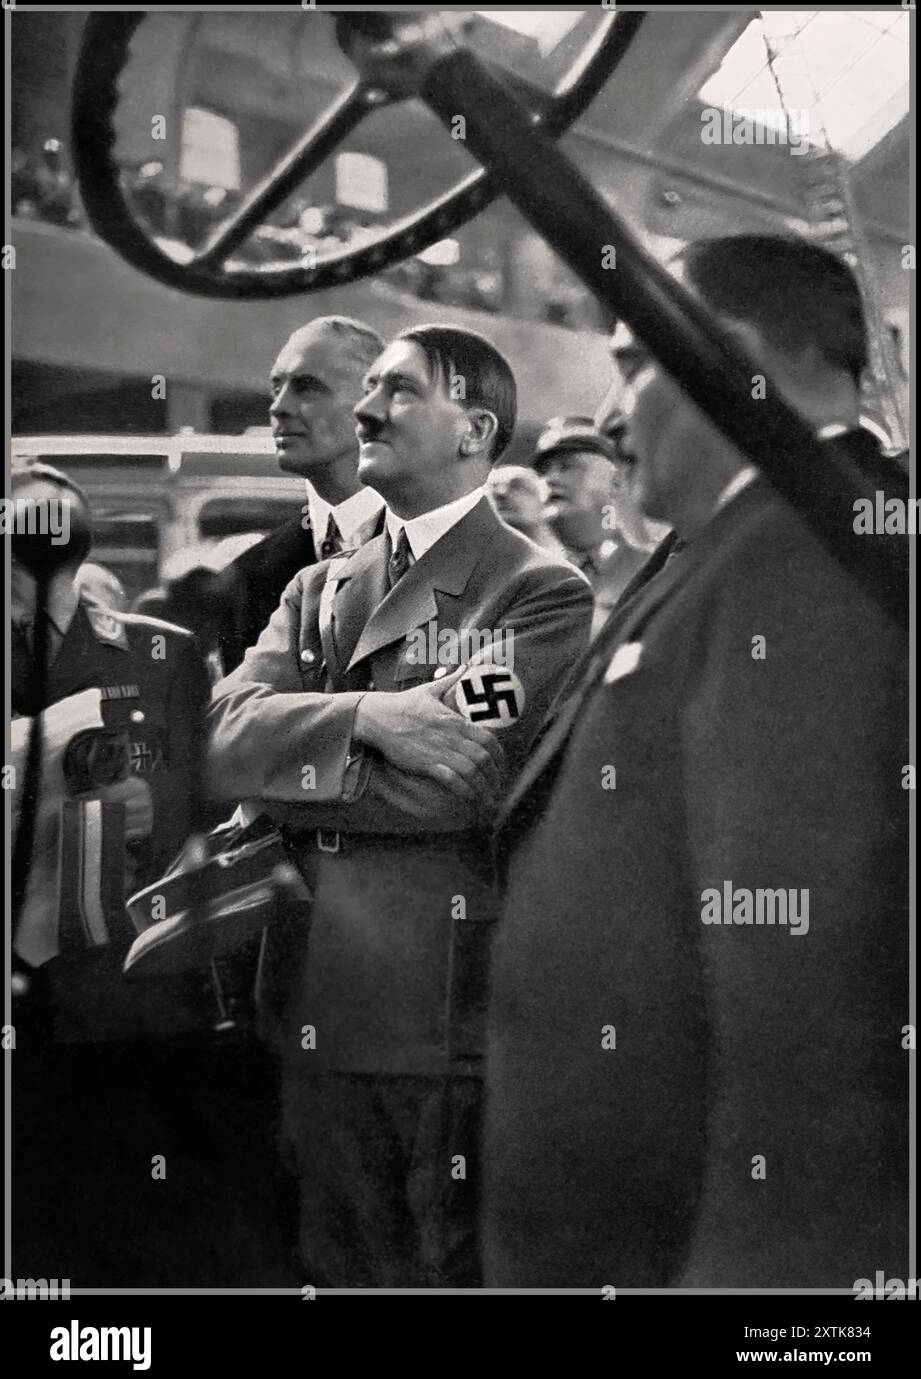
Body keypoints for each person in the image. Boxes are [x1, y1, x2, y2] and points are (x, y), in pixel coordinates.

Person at [483, 235, 909, 1288]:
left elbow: (810, 987)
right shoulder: (736, 543)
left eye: (633, 362)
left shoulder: (812, 549)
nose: (616, 415)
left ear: (737, 355)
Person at [207, 324, 593, 1287]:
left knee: (430, 1269)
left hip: (431, 1015)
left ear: (475, 430)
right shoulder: (318, 585)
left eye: (399, 391)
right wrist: (372, 713)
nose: (366, 410)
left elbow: (448, 782)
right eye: (367, 388)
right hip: (304, 1000)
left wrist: (286, 765)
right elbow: (213, 742)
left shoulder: (538, 594)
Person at [8, 460, 223, 1286]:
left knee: (132, 1225)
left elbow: (203, 814)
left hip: (126, 993)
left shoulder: (162, 656)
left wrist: (146, 822)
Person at [219, 315, 387, 672]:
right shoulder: (249, 576)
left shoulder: (443, 544)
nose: (278, 406)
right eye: (275, 387)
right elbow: (247, 716)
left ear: (373, 401)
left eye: (306, 387)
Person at [533, 415, 659, 637]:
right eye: (543, 471)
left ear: (615, 479)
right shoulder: (528, 576)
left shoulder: (655, 570)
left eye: (568, 467)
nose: (550, 479)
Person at [485, 462, 565, 556]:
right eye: (492, 487)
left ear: (548, 505)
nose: (500, 492)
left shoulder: (568, 563)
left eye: (517, 487)